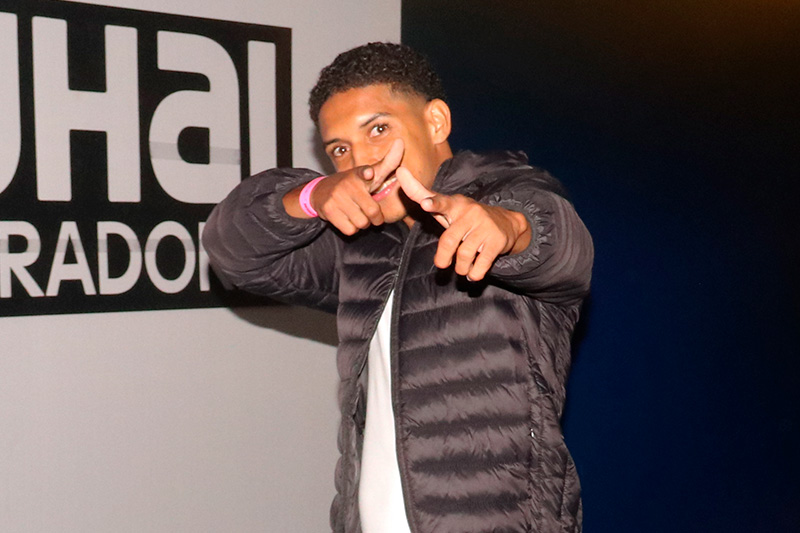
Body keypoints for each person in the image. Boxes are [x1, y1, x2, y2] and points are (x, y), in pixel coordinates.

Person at [203, 42, 593, 533]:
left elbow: (562, 245)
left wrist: (508, 229)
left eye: (378, 130)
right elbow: (232, 250)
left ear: (436, 122)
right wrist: (311, 195)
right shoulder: (359, 244)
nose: (362, 163)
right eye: (340, 150)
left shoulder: (508, 192)